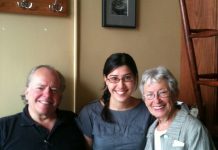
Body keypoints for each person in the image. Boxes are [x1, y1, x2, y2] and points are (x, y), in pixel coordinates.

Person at [77, 53, 154, 150]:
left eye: (127, 78)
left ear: (135, 78)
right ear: (105, 80)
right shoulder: (89, 112)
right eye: (114, 78)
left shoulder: (149, 110)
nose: (121, 85)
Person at [0, 65, 86, 150]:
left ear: (60, 96)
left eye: (54, 90)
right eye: (40, 88)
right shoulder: (4, 127)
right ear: (26, 93)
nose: (47, 95)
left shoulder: (75, 121)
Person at [139, 66, 216, 150]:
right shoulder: (152, 129)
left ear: (175, 94)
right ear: (145, 100)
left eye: (162, 93)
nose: (157, 100)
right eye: (150, 95)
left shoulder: (194, 129)